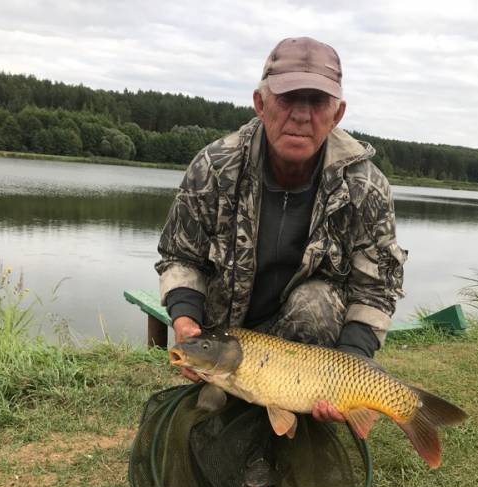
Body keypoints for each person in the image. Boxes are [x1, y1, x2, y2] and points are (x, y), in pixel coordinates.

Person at [156, 36, 406, 422]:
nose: (302, 115)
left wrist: (351, 366)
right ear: (261, 104)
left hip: (310, 352)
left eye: (317, 102)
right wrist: (186, 317)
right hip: (228, 336)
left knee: (318, 302)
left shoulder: (366, 186)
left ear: (336, 114)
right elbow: (180, 255)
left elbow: (376, 288)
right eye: (288, 98)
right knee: (207, 415)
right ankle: (236, 402)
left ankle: (303, 412)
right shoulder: (215, 166)